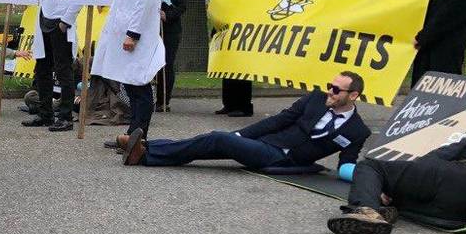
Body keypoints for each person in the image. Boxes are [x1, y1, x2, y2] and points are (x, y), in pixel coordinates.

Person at [327, 88, 466, 234]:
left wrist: (418, 167)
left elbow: (457, 150)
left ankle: (366, 210)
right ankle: (380, 209)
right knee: (397, 200)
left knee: (372, 166)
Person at [120, 72, 371, 171]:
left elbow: (347, 162)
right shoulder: (316, 98)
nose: (330, 91)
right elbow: (279, 120)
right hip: (267, 144)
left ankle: (146, 150)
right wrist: (242, 135)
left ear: (354, 96)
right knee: (214, 144)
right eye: (330, 86)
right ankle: (145, 151)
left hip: (282, 158)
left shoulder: (358, 130)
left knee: (218, 139)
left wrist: (366, 176)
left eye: (336, 90)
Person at [92, 0, 165, 151]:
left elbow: (145, 0)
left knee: (139, 84)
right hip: (123, 31)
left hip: (137, 35)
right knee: (131, 85)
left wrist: (133, 33)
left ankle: (138, 137)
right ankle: (131, 134)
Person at [25, 0, 80, 131]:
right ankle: (45, 114)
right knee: (43, 69)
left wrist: (66, 21)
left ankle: (65, 117)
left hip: (59, 21)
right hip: (43, 19)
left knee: (64, 70)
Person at [213, 0, 257, 117]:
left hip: (243, 33)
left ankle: (244, 106)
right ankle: (229, 104)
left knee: (241, 70)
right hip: (227, 32)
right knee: (228, 69)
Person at [157, 0, 188, 112]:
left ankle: (164, 100)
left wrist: (167, 15)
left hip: (171, 30)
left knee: (167, 63)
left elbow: (183, 6)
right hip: (154, 29)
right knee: (155, 64)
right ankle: (155, 98)